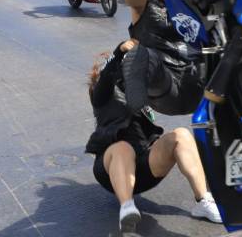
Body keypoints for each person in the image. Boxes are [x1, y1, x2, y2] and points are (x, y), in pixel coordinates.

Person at [86, 42, 222, 233]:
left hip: (144, 167)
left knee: (181, 135)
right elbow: (106, 77)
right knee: (123, 147)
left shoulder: (138, 92)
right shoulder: (101, 96)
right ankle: (127, 207)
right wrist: (119, 52)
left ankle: (203, 200)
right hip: (111, 169)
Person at [114, 0, 204, 116]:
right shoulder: (144, 1)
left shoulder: (193, 2)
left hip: (199, 83)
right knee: (140, 55)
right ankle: (135, 103)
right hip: (165, 87)